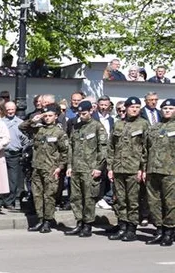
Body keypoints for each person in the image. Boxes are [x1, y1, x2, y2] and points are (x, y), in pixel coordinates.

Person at [63, 100, 108, 237]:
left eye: (84, 113)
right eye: (79, 114)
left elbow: (103, 149)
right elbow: (71, 147)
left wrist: (99, 167)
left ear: (91, 112)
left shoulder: (97, 127)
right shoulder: (76, 127)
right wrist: (69, 165)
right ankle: (79, 222)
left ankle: (88, 225)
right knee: (75, 198)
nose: (81, 116)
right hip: (76, 168)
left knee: (88, 198)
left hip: (90, 169)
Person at [21, 104, 68, 233]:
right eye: (45, 116)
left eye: (50, 116)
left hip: (51, 168)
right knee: (37, 195)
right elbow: (22, 127)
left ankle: (48, 221)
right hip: (37, 167)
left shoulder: (59, 132)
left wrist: (60, 167)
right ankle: (40, 219)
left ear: (56, 117)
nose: (47, 118)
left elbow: (65, 152)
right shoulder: (38, 130)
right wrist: (34, 119)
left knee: (49, 196)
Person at [107, 97, 149, 241]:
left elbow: (146, 149)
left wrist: (142, 169)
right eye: (132, 107)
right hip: (118, 168)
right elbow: (111, 147)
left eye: (137, 107)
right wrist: (110, 167)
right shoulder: (118, 124)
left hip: (133, 168)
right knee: (120, 200)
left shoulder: (144, 124)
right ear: (126, 108)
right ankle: (122, 226)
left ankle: (132, 228)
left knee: (133, 200)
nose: (135, 109)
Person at [144, 99, 175, 245]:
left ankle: (169, 231)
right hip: (152, 170)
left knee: (170, 203)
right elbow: (145, 150)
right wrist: (144, 169)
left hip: (170, 171)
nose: (167, 110)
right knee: (154, 201)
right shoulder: (154, 128)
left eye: (170, 108)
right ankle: (159, 229)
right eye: (165, 108)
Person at [0, 101, 26, 210]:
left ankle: (10, 201)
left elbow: (25, 140)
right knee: (0, 178)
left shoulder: (21, 123)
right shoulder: (0, 122)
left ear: (15, 109)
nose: (10, 111)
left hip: (14, 154)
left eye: (12, 109)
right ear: (5, 110)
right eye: (8, 109)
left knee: (13, 179)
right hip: (1, 153)